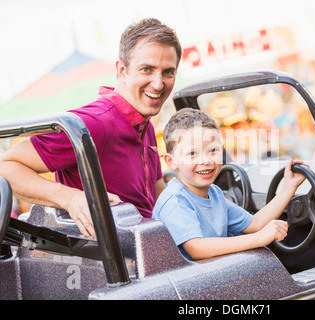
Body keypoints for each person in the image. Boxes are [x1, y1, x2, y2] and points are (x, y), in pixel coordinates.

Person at [0, 18, 182, 237]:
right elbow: (5, 167)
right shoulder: (94, 123)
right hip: (108, 263)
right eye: (147, 69)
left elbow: (157, 196)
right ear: (122, 70)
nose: (158, 83)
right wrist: (71, 198)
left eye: (168, 72)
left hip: (152, 249)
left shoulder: (145, 125)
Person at [152, 108, 307, 260]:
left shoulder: (215, 193)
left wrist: (289, 187)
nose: (206, 160)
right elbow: (196, 248)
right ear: (171, 161)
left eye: (212, 150)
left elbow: (255, 223)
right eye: (192, 153)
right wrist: (259, 238)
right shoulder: (175, 201)